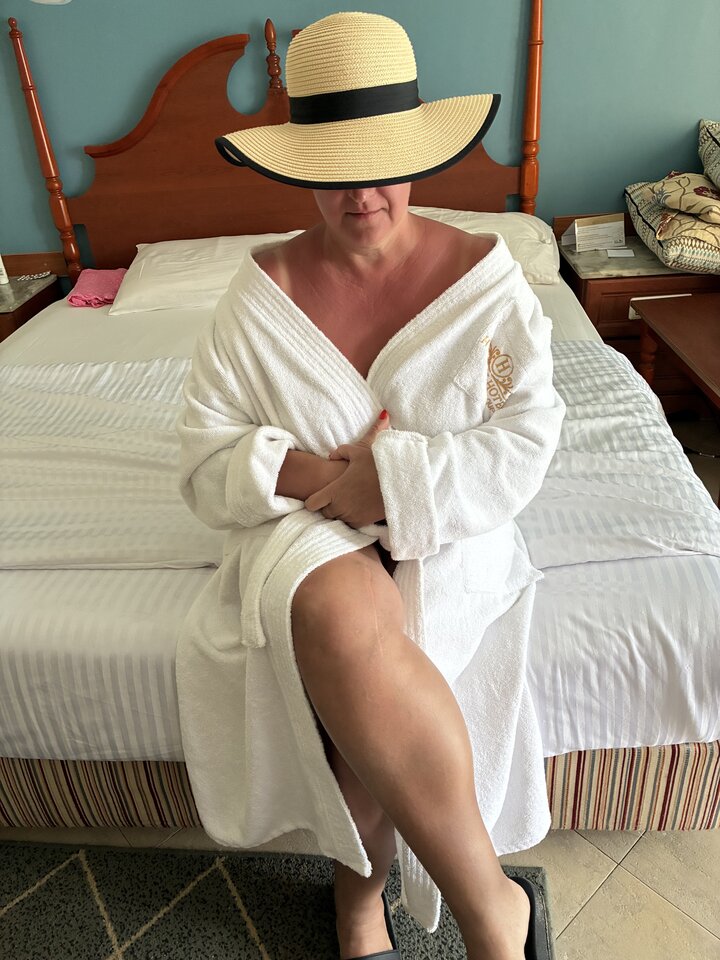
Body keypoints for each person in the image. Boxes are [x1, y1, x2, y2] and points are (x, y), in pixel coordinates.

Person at [177, 12, 565, 960]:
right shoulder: (258, 299)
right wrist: (319, 478)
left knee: (355, 667)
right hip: (306, 523)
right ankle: (487, 910)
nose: (361, 193)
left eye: (383, 162)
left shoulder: (485, 289)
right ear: (300, 167)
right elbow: (204, 457)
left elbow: (523, 435)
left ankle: (363, 897)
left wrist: (395, 485)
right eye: (334, 167)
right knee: (336, 613)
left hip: (454, 522)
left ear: (418, 153)